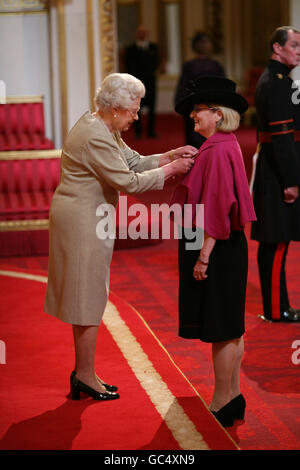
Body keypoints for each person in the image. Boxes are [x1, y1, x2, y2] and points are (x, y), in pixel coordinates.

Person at [44, 73, 197, 401]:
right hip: (82, 220)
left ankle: (85, 372)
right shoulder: (96, 134)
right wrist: (170, 171)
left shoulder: (102, 125)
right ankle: (84, 375)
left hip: (87, 215)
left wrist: (168, 155)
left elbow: (132, 161)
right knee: (87, 297)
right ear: (113, 108)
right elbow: (128, 182)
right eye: (132, 110)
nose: (137, 115)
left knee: (89, 295)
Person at [171, 76, 256, 427]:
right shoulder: (225, 143)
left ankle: (222, 400)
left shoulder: (217, 149)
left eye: (197, 110)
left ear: (217, 114)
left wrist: (204, 256)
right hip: (227, 244)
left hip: (214, 245)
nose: (192, 115)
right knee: (231, 326)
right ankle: (233, 395)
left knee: (221, 327)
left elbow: (218, 207)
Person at [251, 26, 300, 322]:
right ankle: (276, 309)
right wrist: (292, 181)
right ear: (277, 48)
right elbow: (282, 138)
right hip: (277, 175)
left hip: (271, 171)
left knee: (274, 242)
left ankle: (276, 305)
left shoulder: (274, 79)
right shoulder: (278, 82)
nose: (298, 50)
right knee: (277, 242)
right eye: (294, 45)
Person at [175, 31, 225, 148]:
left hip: (194, 109)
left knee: (194, 145)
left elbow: (182, 88)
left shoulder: (189, 66)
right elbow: (224, 88)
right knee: (211, 143)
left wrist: (180, 105)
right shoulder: (215, 65)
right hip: (212, 109)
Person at [125, 26, 159, 138]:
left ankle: (151, 132)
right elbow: (127, 66)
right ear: (137, 34)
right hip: (135, 84)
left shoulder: (154, 48)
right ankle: (138, 132)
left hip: (150, 82)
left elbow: (157, 63)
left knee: (152, 108)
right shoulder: (130, 49)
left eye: (144, 33)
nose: (142, 35)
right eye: (140, 33)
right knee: (135, 107)